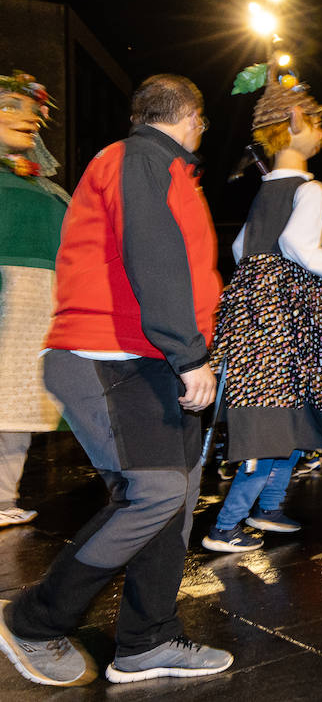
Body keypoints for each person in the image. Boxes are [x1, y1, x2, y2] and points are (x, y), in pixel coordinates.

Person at [0, 74, 230, 685]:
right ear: (190, 116)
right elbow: (152, 254)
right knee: (153, 493)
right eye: (202, 122)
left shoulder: (162, 168)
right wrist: (189, 354)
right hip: (110, 354)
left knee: (176, 501)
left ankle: (146, 642)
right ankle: (33, 621)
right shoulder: (140, 157)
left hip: (147, 359)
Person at [204, 65, 322, 553]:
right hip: (292, 319)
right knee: (281, 419)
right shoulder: (310, 189)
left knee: (284, 416)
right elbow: (297, 245)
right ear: (296, 121)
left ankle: (269, 507)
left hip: (257, 316)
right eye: (318, 124)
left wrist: (262, 285)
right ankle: (226, 526)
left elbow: (241, 249)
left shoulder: (265, 192)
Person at [0, 72, 68, 529]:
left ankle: (3, 497)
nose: (28, 119)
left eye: (34, 111)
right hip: (9, 296)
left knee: (17, 404)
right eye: (10, 105)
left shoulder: (49, 190)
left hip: (37, 304)